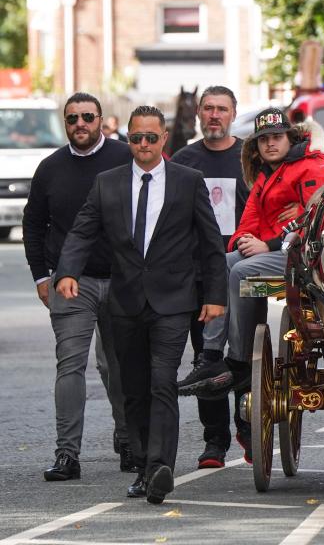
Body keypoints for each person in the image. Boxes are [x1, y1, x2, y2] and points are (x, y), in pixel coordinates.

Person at [54, 105, 227, 504]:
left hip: (173, 301)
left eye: (151, 138)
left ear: (164, 139)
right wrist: (67, 272)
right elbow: (81, 232)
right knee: (132, 389)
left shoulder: (188, 181)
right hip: (126, 302)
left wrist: (216, 297)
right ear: (126, 139)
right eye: (136, 138)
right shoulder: (106, 183)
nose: (144, 145)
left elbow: (211, 244)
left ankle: (157, 467)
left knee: (162, 381)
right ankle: (147, 463)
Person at [178, 110, 324, 414]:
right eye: (264, 140)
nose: (270, 144)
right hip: (273, 251)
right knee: (223, 261)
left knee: (240, 271)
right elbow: (246, 221)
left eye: (277, 137)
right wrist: (245, 242)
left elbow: (319, 220)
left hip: (307, 254)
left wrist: (268, 243)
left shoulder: (309, 167)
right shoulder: (266, 175)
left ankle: (238, 359)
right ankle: (210, 355)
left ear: (291, 138)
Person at [23, 92, 132, 481]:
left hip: (122, 281)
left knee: (117, 365)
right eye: (72, 119)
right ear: (65, 123)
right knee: (70, 365)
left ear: (102, 119)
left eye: (87, 116)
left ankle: (128, 438)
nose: (80, 124)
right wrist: (41, 275)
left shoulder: (126, 158)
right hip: (71, 282)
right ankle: (67, 454)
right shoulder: (50, 168)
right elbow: (33, 224)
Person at [171, 86, 250, 469]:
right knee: (208, 357)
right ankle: (214, 441)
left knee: (245, 354)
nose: (214, 115)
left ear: (233, 113)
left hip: (240, 273)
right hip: (198, 275)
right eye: (208, 109)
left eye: (221, 109)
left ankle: (248, 428)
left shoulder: (249, 157)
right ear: (199, 115)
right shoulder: (184, 160)